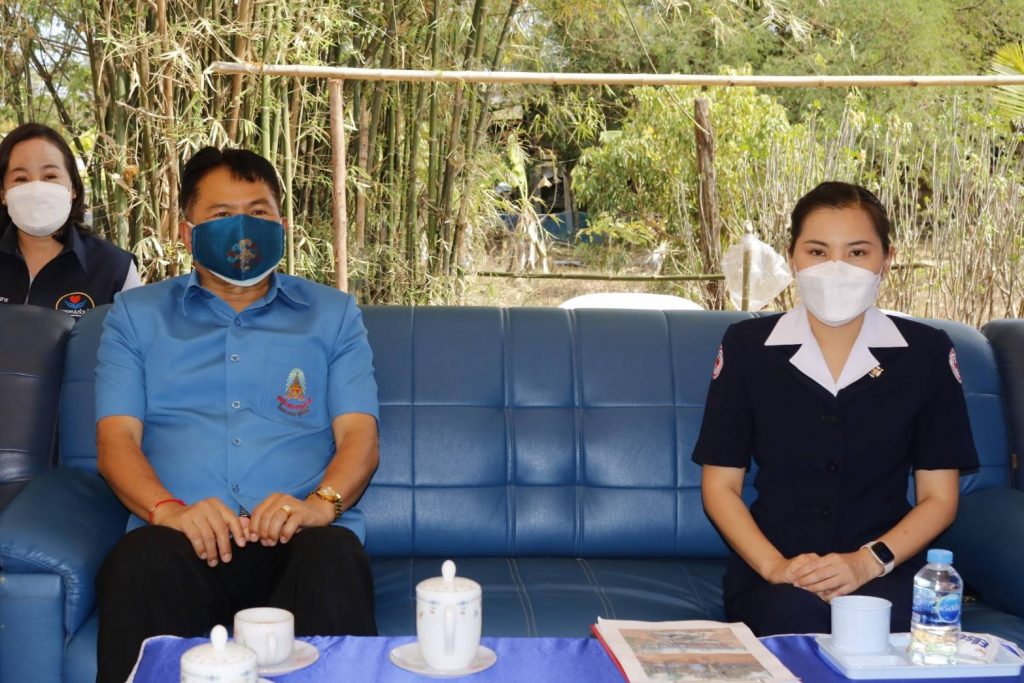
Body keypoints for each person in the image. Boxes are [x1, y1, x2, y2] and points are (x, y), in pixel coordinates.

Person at [93, 147, 380, 682]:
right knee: (140, 560)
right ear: (188, 233)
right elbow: (116, 444)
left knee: (334, 558)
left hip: (298, 542)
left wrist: (320, 506)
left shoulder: (334, 315)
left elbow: (360, 437)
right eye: (222, 214)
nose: (243, 227)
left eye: (258, 211)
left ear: (283, 227)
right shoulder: (135, 317)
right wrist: (169, 511)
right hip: (181, 542)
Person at [692, 181, 979, 637]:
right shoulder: (747, 347)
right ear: (792, 258)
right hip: (777, 573)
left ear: (887, 259)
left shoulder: (926, 354)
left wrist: (868, 562)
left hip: (886, 568)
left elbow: (939, 499)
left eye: (857, 252)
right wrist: (775, 567)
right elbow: (720, 487)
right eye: (818, 252)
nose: (837, 269)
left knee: (884, 636)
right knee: (792, 622)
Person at [0, 123, 140, 315]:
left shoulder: (115, 269)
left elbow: (136, 332)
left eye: (50, 176)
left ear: (73, 188)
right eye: (21, 179)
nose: (36, 190)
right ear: (3, 193)